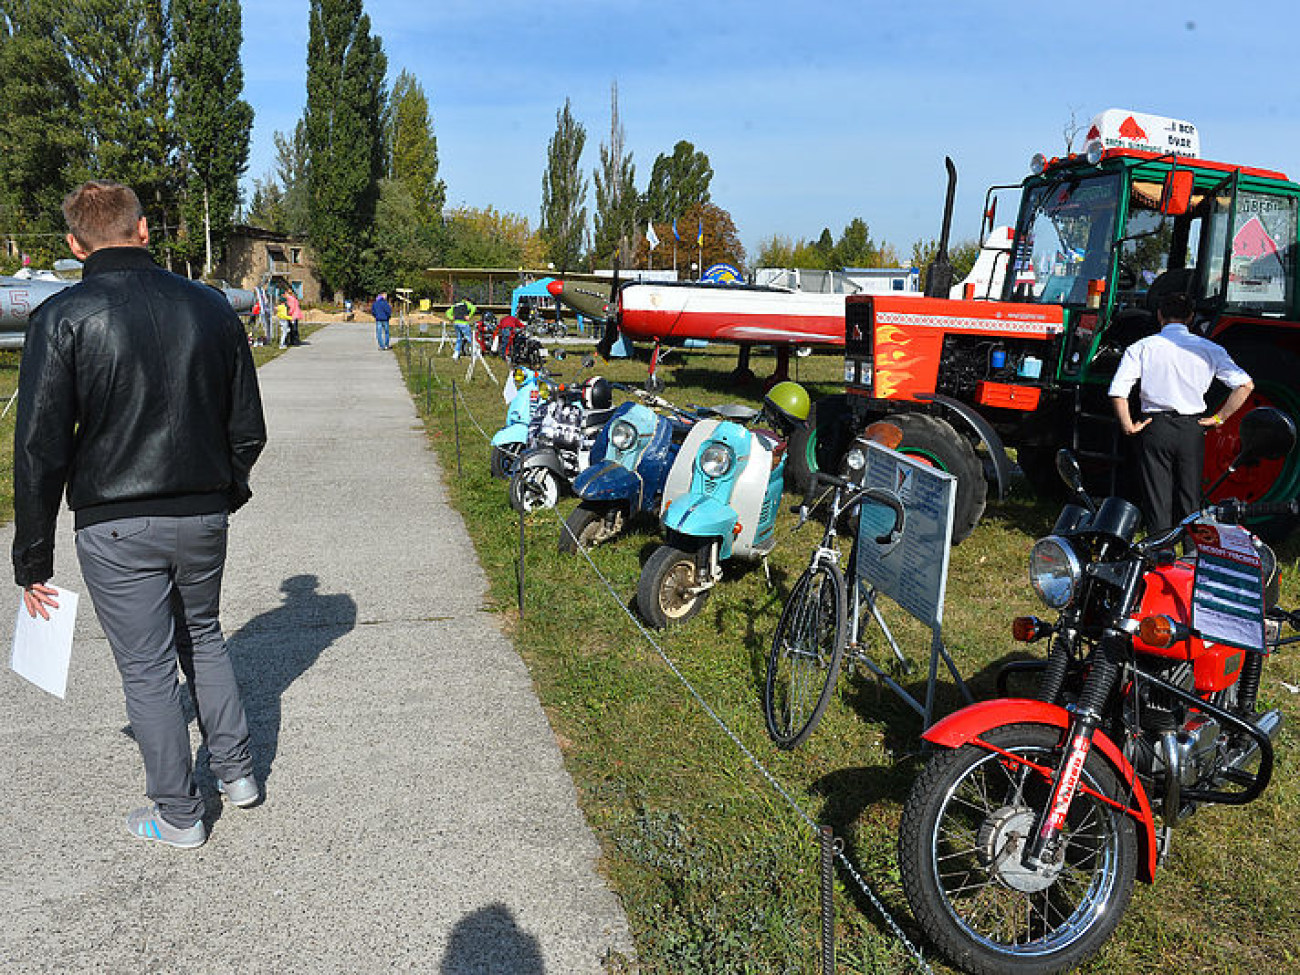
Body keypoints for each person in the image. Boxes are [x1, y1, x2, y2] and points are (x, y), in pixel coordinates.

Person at [12, 180, 267, 849]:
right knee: (204, 635)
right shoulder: (212, 309)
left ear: (74, 245)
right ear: (145, 230)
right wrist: (223, 490)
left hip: (114, 518)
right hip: (203, 509)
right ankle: (238, 776)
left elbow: (39, 443)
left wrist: (32, 556)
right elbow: (248, 427)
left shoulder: (62, 316)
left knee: (148, 667)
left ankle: (180, 815)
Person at [1109, 292, 1254, 533]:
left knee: (1157, 497)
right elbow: (1245, 385)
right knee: (1191, 497)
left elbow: (1118, 391)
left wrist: (1128, 425)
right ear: (1191, 317)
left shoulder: (1141, 347)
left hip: (1154, 426)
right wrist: (1220, 418)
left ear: (1159, 315)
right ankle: (1191, 553)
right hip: (1192, 427)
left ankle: (1159, 552)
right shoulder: (1209, 348)